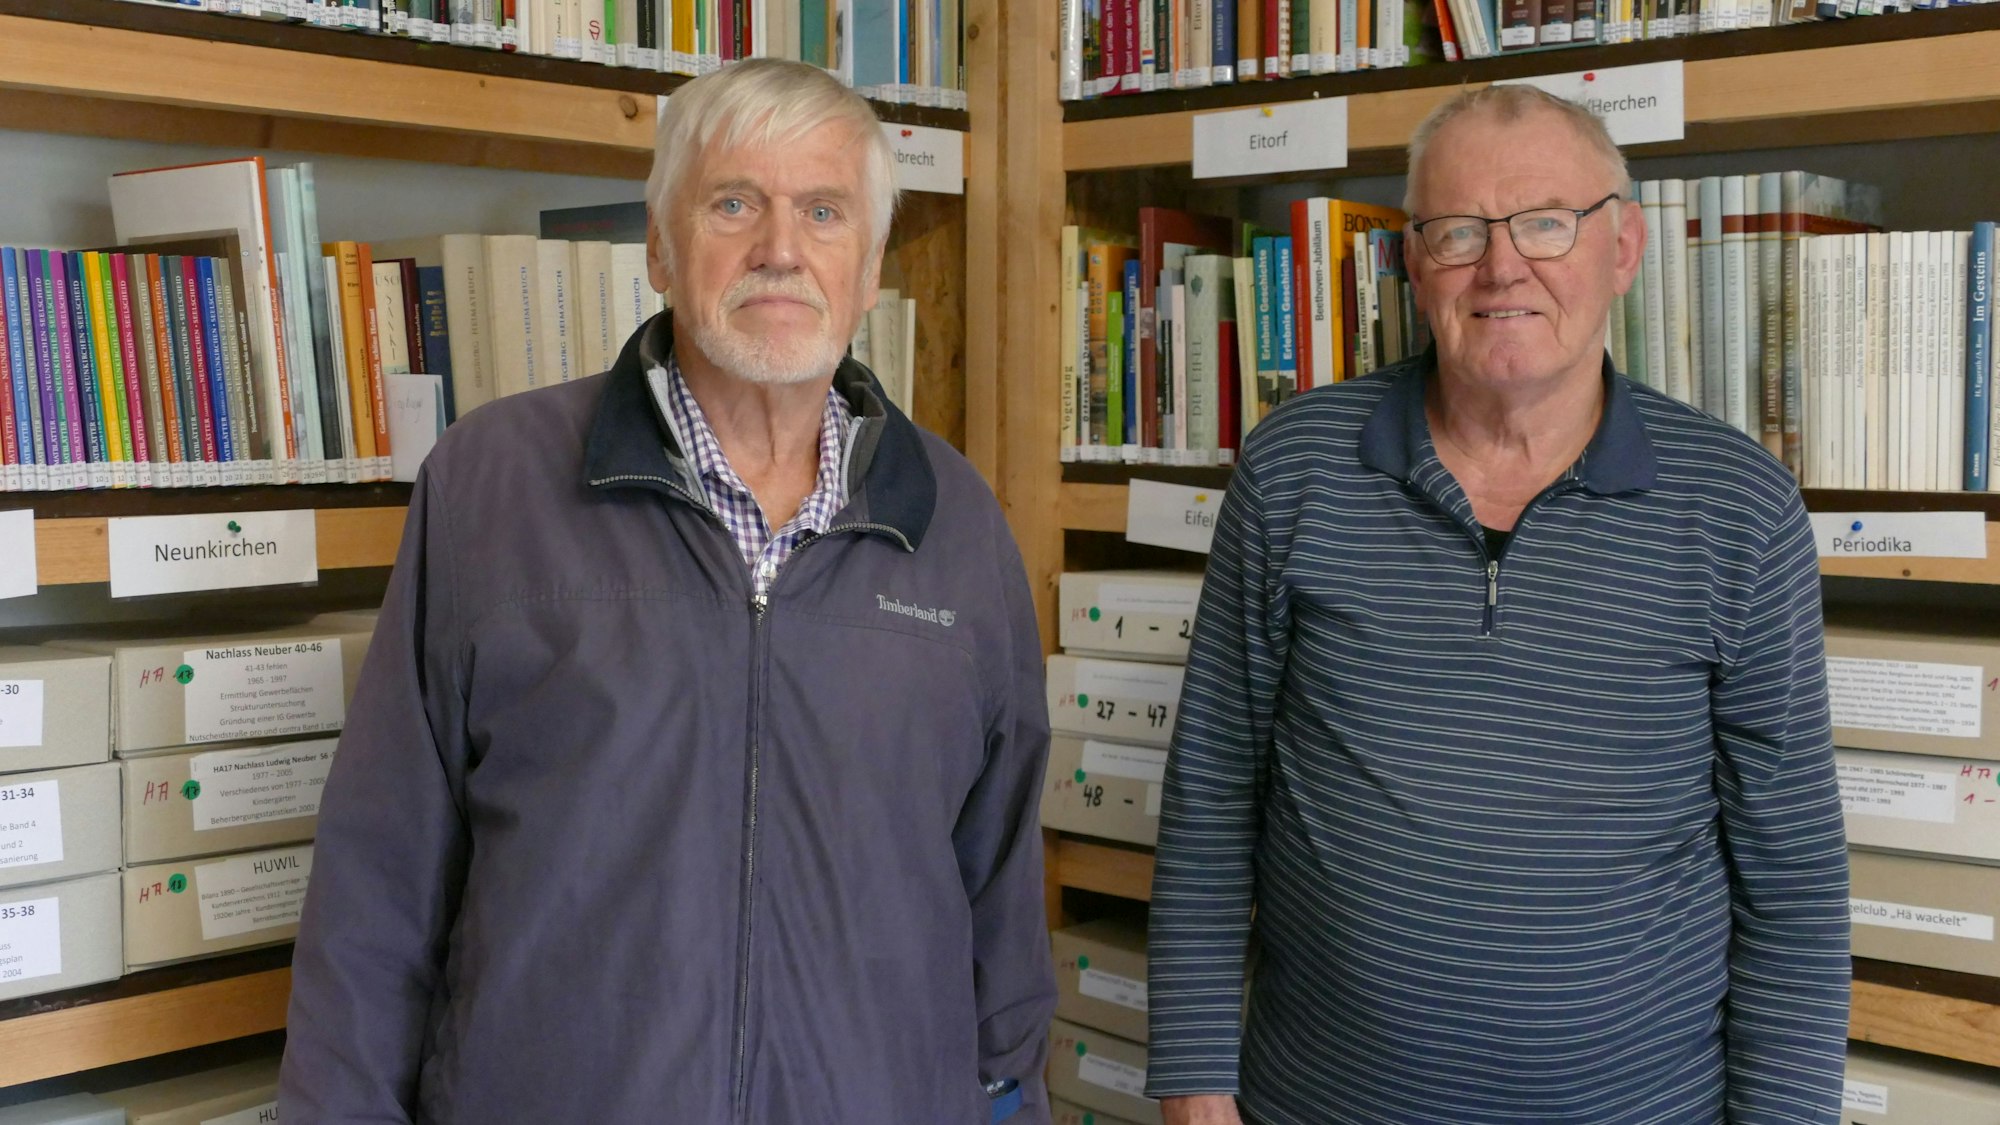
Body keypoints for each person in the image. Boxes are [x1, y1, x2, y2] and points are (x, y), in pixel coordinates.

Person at [280, 58, 1055, 1125]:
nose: (779, 249)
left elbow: (998, 886)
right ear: (657, 246)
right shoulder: (490, 484)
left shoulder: (954, 518)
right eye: (733, 203)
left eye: (823, 211)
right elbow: (378, 878)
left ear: (869, 266)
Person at [1145, 84, 1850, 1125]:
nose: (1499, 266)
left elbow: (1788, 865)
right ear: (1408, 259)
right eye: (1456, 231)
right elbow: (1211, 791)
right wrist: (1194, 1079)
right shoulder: (1294, 469)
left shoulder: (1736, 506)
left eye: (1543, 224)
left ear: (1621, 249)